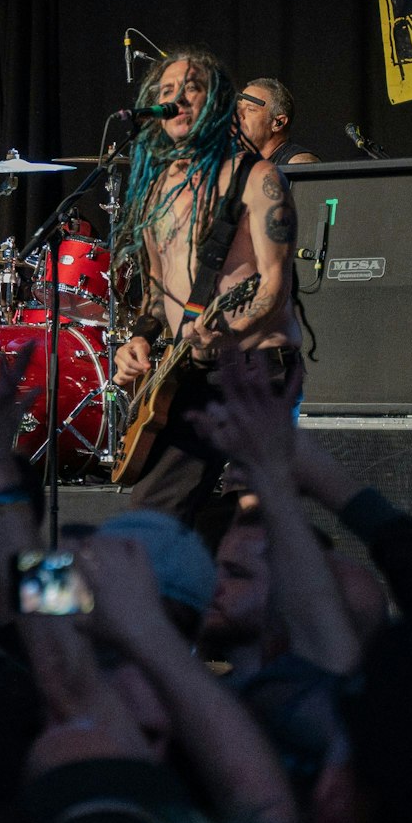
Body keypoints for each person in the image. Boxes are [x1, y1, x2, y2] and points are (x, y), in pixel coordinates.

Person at [107, 48, 300, 524]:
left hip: (258, 371)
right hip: (191, 373)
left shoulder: (259, 179)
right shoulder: (156, 191)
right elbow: (155, 294)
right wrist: (138, 340)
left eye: (190, 89)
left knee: (254, 521)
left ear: (216, 102)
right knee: (152, 519)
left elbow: (274, 284)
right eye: (166, 92)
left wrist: (230, 329)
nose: (177, 100)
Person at [234, 78, 320, 167]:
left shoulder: (298, 163)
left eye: (251, 109)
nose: (238, 114)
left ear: (278, 123)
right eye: (239, 108)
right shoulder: (236, 162)